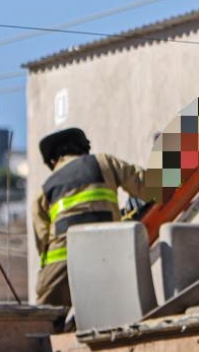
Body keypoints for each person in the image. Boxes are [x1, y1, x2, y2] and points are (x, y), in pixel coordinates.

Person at [32, 127, 152, 309]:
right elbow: (147, 187)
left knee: (46, 321)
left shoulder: (43, 191)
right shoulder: (104, 162)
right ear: (82, 149)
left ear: (54, 161)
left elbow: (42, 242)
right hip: (107, 254)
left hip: (61, 264)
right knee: (117, 311)